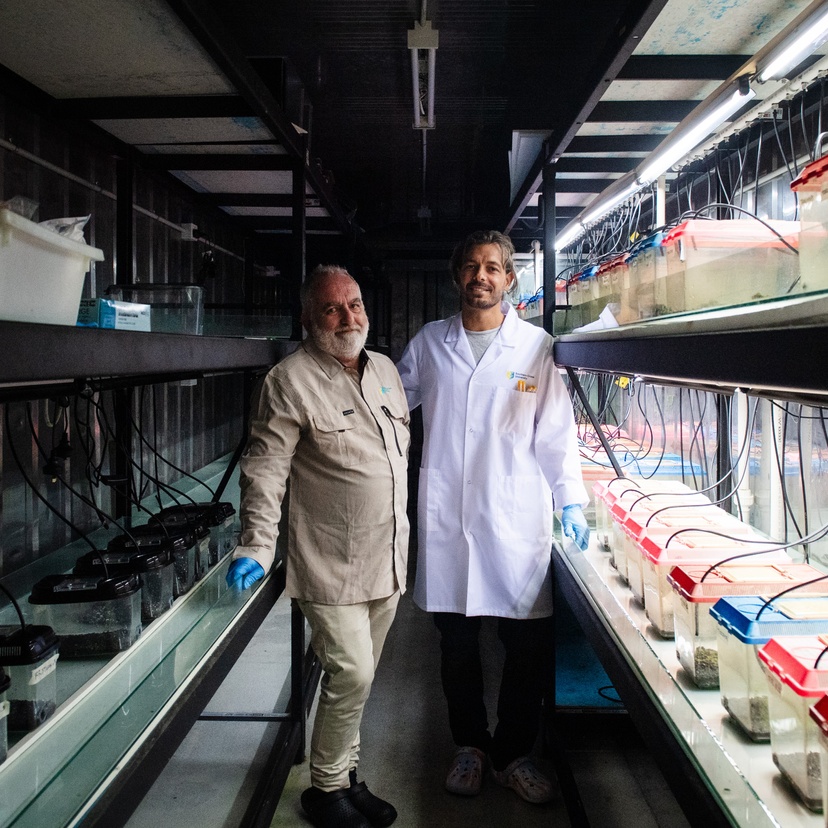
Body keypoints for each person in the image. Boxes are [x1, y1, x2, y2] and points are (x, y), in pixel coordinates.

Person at [395, 230, 589, 805]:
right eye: (471, 267)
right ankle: (470, 749)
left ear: (509, 279)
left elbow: (556, 433)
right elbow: (387, 405)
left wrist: (570, 498)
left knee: (525, 647)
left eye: (493, 269)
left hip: (514, 520)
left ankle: (513, 755)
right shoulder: (430, 343)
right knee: (455, 647)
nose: (481, 277)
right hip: (449, 520)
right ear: (457, 276)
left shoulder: (536, 347)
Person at [226, 264, 410, 828]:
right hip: (330, 562)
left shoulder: (382, 369)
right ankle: (325, 789)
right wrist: (256, 546)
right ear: (308, 319)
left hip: (389, 555)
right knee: (350, 673)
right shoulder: (288, 381)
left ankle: (347, 777)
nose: (347, 317)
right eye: (332, 308)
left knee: (361, 677)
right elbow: (265, 469)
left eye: (354, 304)